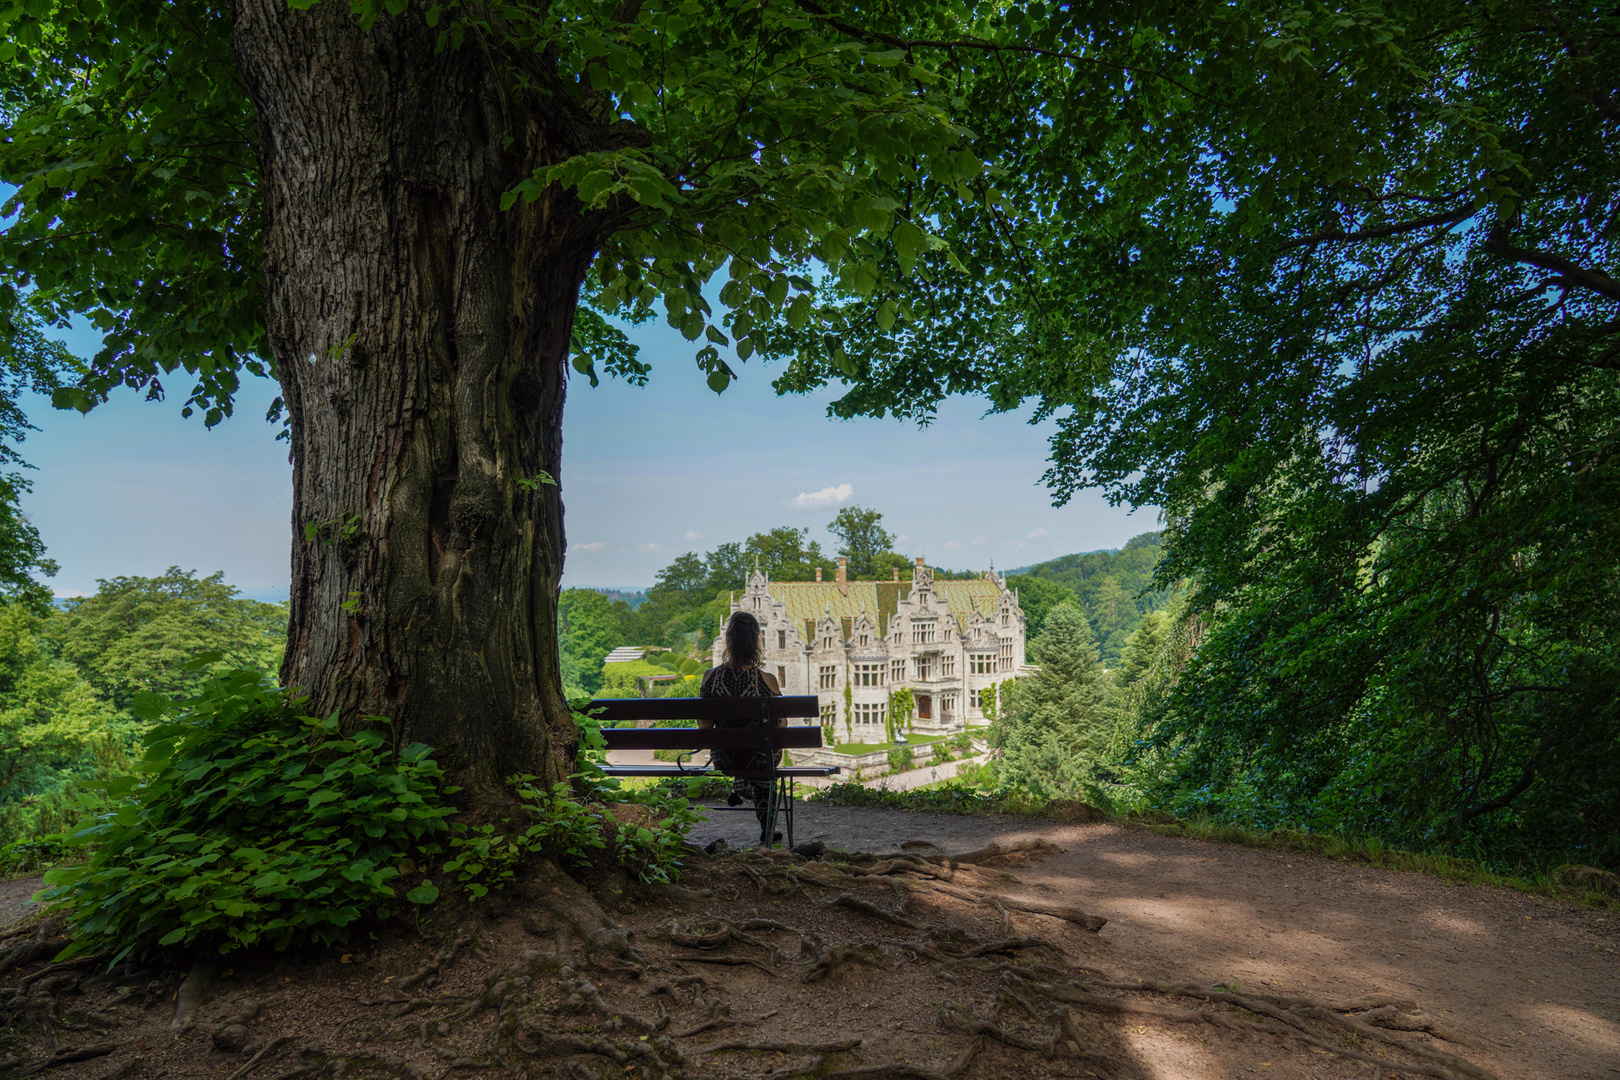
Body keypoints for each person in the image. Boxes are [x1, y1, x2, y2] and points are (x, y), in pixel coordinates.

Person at [699, 611, 783, 844]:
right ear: (756, 641)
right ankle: (769, 829)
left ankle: (740, 783)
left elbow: (704, 727)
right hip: (761, 759)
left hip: (725, 759)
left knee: (752, 759)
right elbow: (781, 725)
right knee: (764, 764)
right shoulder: (767, 680)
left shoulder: (710, 678)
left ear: (728, 641)